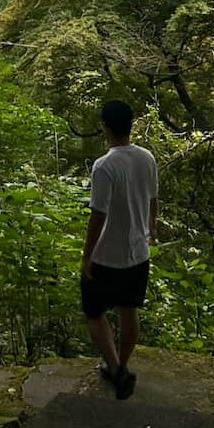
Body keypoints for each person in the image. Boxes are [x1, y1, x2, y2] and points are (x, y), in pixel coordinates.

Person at [81, 99, 158, 400]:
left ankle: (114, 367)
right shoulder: (146, 157)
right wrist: (150, 229)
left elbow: (97, 214)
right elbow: (152, 200)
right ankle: (122, 366)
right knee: (129, 311)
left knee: (94, 311)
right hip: (138, 252)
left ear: (105, 127)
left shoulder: (105, 165)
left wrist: (87, 255)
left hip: (106, 255)